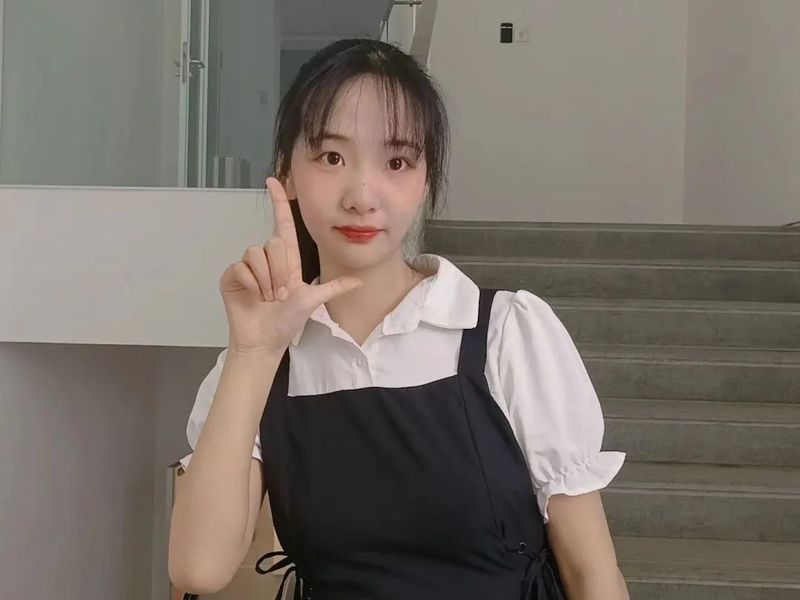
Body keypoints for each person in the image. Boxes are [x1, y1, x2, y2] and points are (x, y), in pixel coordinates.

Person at [168, 38, 629, 600]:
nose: (363, 196)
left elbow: (592, 574)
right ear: (286, 172)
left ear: (425, 178)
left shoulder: (503, 333)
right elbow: (198, 569)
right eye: (331, 157)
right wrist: (253, 353)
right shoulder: (262, 365)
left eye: (397, 162)